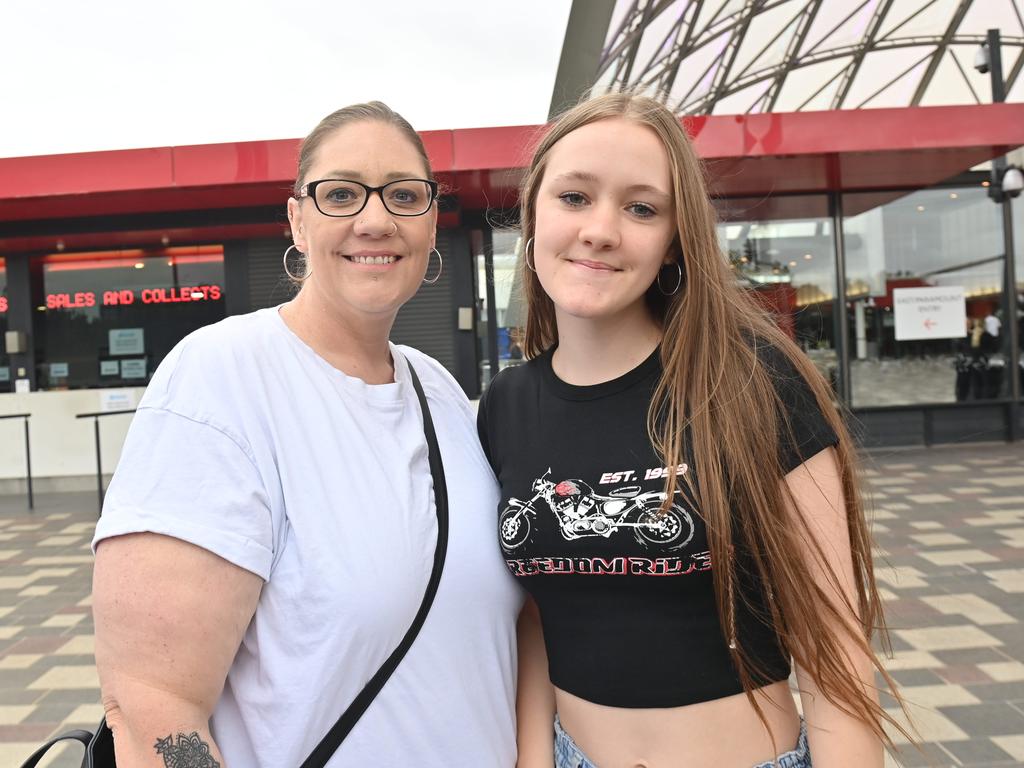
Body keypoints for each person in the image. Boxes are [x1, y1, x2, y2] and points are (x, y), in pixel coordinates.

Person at [477, 93, 909, 768]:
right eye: (574, 197)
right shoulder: (505, 405)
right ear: (535, 212)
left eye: (641, 207)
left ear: (675, 239)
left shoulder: (753, 382)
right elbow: (533, 622)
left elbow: (837, 661)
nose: (600, 229)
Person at [92, 102, 522, 767]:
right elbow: (153, 703)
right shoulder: (223, 379)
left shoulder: (438, 391)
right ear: (297, 218)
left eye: (404, 195)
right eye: (342, 194)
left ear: (432, 221)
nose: (375, 220)